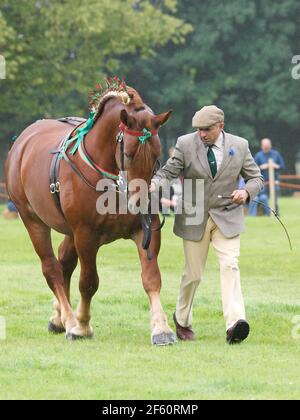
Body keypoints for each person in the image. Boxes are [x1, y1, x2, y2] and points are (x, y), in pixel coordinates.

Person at [150, 105, 263, 344]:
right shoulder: (185, 143)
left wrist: (246, 193)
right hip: (193, 217)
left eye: (207, 129)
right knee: (193, 274)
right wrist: (152, 184)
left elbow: (256, 178)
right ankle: (182, 319)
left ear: (221, 126)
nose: (202, 134)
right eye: (199, 129)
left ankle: (235, 324)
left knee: (230, 265)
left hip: (228, 216)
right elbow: (169, 172)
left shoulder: (240, 145)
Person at [249, 138, 285, 216]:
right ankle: (265, 214)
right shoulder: (258, 156)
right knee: (263, 197)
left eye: (268, 146)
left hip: (274, 181)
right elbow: (253, 168)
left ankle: (275, 214)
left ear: (270, 145)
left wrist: (276, 166)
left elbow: (282, 166)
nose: (266, 147)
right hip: (262, 182)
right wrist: (261, 167)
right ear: (262, 146)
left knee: (274, 199)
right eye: (265, 146)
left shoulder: (276, 154)